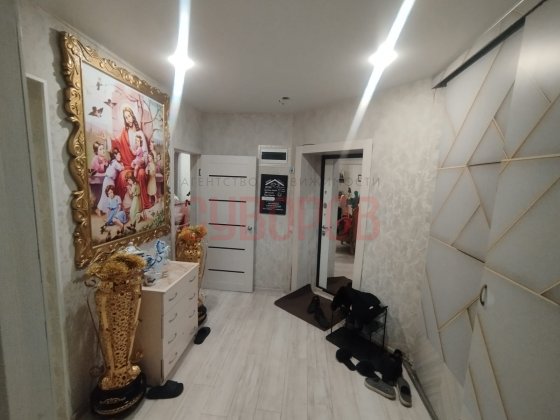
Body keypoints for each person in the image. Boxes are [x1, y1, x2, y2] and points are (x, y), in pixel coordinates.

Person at [109, 106, 151, 209]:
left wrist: (141, 162)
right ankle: (126, 205)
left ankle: (142, 203)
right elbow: (117, 142)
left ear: (133, 116)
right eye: (126, 117)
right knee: (122, 176)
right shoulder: (125, 132)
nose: (128, 119)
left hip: (139, 164)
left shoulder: (140, 133)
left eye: (129, 116)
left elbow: (145, 153)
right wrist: (108, 138)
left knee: (141, 174)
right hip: (128, 165)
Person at [97, 148, 123, 215]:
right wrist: (122, 165)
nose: (120, 156)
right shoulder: (115, 163)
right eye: (119, 155)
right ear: (115, 155)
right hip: (109, 180)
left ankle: (102, 209)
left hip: (107, 179)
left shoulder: (112, 162)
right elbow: (121, 168)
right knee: (108, 195)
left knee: (105, 195)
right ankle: (104, 210)